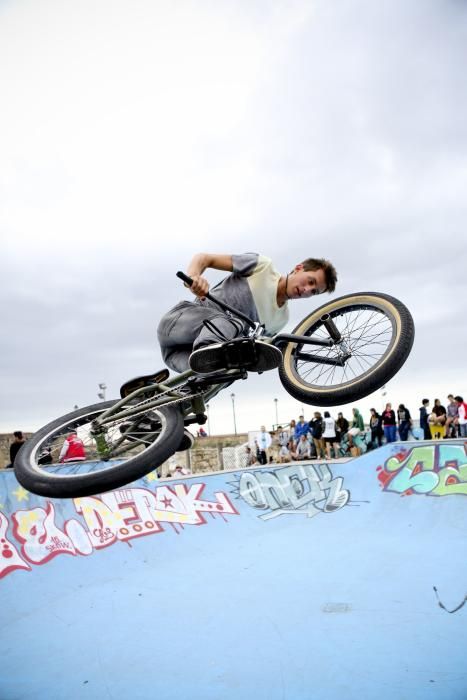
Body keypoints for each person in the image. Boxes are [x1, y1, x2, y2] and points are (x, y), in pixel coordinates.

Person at [157, 253, 337, 375]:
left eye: (313, 292)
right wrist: (195, 277)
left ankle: (153, 412)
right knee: (235, 325)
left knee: (223, 375)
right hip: (179, 325)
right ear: (298, 268)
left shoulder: (281, 320)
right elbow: (205, 258)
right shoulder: (262, 267)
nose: (306, 290)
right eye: (310, 281)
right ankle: (210, 349)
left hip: (180, 357)